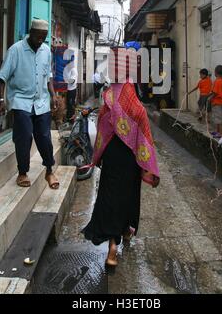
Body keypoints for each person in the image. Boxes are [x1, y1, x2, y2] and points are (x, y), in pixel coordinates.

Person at [82, 80, 160, 267]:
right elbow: (145, 140)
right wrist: (148, 166)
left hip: (111, 160)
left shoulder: (107, 108)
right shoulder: (138, 110)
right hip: (131, 162)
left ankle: (113, 247)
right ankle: (122, 235)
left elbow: (101, 134)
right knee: (129, 196)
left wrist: (98, 157)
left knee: (111, 197)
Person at [0, 19, 60, 189]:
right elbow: (2, 77)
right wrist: (2, 100)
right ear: (31, 32)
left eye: (44, 37)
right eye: (38, 36)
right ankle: (22, 172)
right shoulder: (16, 50)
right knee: (24, 137)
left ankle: (49, 170)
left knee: (45, 137)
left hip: (41, 101)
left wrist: (53, 95)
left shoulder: (46, 50)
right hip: (20, 101)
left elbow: (48, 76)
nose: (41, 40)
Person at [208, 65, 222, 138]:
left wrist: (209, 98)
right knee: (218, 118)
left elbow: (215, 92)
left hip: (217, 102)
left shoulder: (217, 81)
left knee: (218, 119)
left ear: (216, 72)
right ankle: (217, 131)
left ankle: (221, 133)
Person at [64, 54, 78, 122]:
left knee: (71, 105)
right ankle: (68, 118)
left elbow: (72, 81)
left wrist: (65, 81)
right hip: (68, 89)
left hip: (72, 90)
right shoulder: (68, 69)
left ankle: (71, 120)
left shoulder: (73, 70)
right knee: (68, 104)